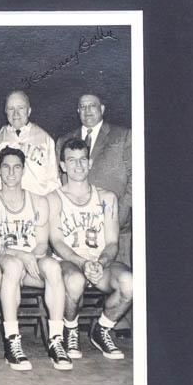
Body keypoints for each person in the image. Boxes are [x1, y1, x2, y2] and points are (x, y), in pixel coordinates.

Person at [0, 146, 69, 371]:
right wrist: (22, 255)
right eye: (6, 167)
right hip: (6, 262)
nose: (11, 172)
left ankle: (56, 340)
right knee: (12, 265)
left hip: (33, 261)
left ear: (23, 170)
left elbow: (41, 242)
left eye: (16, 167)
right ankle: (12, 341)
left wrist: (31, 257)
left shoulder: (38, 202)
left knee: (52, 267)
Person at [47, 137, 132, 360]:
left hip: (100, 263)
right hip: (69, 263)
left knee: (130, 284)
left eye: (83, 160)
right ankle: (71, 329)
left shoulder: (107, 198)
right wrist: (82, 263)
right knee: (74, 281)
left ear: (90, 162)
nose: (78, 165)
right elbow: (57, 242)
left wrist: (100, 263)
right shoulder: (53, 199)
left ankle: (102, 328)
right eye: (71, 160)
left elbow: (113, 242)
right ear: (63, 166)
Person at [59, 93, 132, 264]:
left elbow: (135, 182)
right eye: (83, 107)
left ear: (102, 109)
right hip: (75, 236)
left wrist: (118, 216)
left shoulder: (123, 136)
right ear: (78, 111)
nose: (87, 110)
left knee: (119, 282)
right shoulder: (64, 141)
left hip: (117, 230)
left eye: (92, 105)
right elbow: (62, 182)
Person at [0, 90, 58, 197]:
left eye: (20, 108)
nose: (16, 113)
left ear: (29, 111)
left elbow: (53, 180)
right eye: (11, 108)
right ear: (5, 111)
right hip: (7, 204)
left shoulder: (45, 139)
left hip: (38, 201)